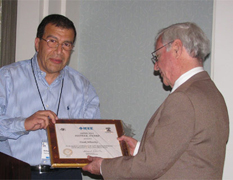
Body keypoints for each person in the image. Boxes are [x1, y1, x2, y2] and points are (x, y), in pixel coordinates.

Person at [82, 22, 229, 179]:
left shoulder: (184, 99)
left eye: (157, 57)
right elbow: (188, 154)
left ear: (177, 48)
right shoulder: (212, 93)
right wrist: (139, 149)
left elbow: (149, 166)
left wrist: (104, 166)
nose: (156, 67)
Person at [0, 14, 100, 179]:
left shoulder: (83, 86)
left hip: (68, 174)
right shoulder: (6, 78)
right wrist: (23, 123)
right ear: (38, 43)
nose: (59, 51)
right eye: (52, 41)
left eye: (66, 44)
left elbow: (91, 135)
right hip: (18, 173)